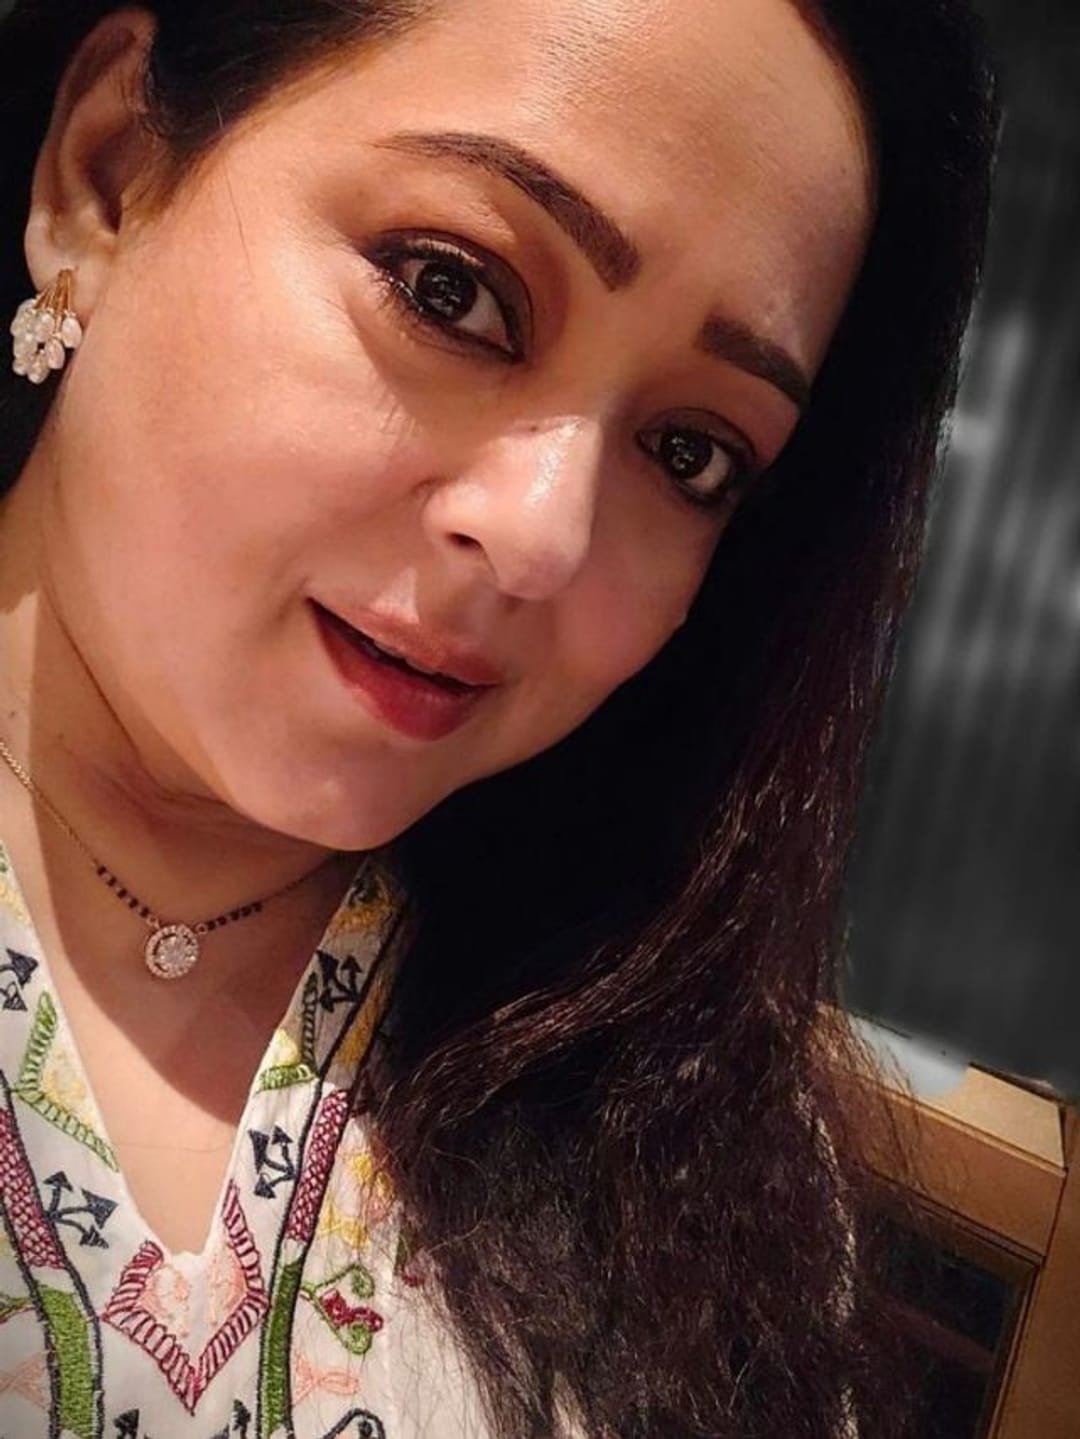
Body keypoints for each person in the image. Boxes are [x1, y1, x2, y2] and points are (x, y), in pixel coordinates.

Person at [0, 1, 996, 1436]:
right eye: (452, 290)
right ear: (105, 179)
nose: (543, 537)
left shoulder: (695, 1156)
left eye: (689, 452)